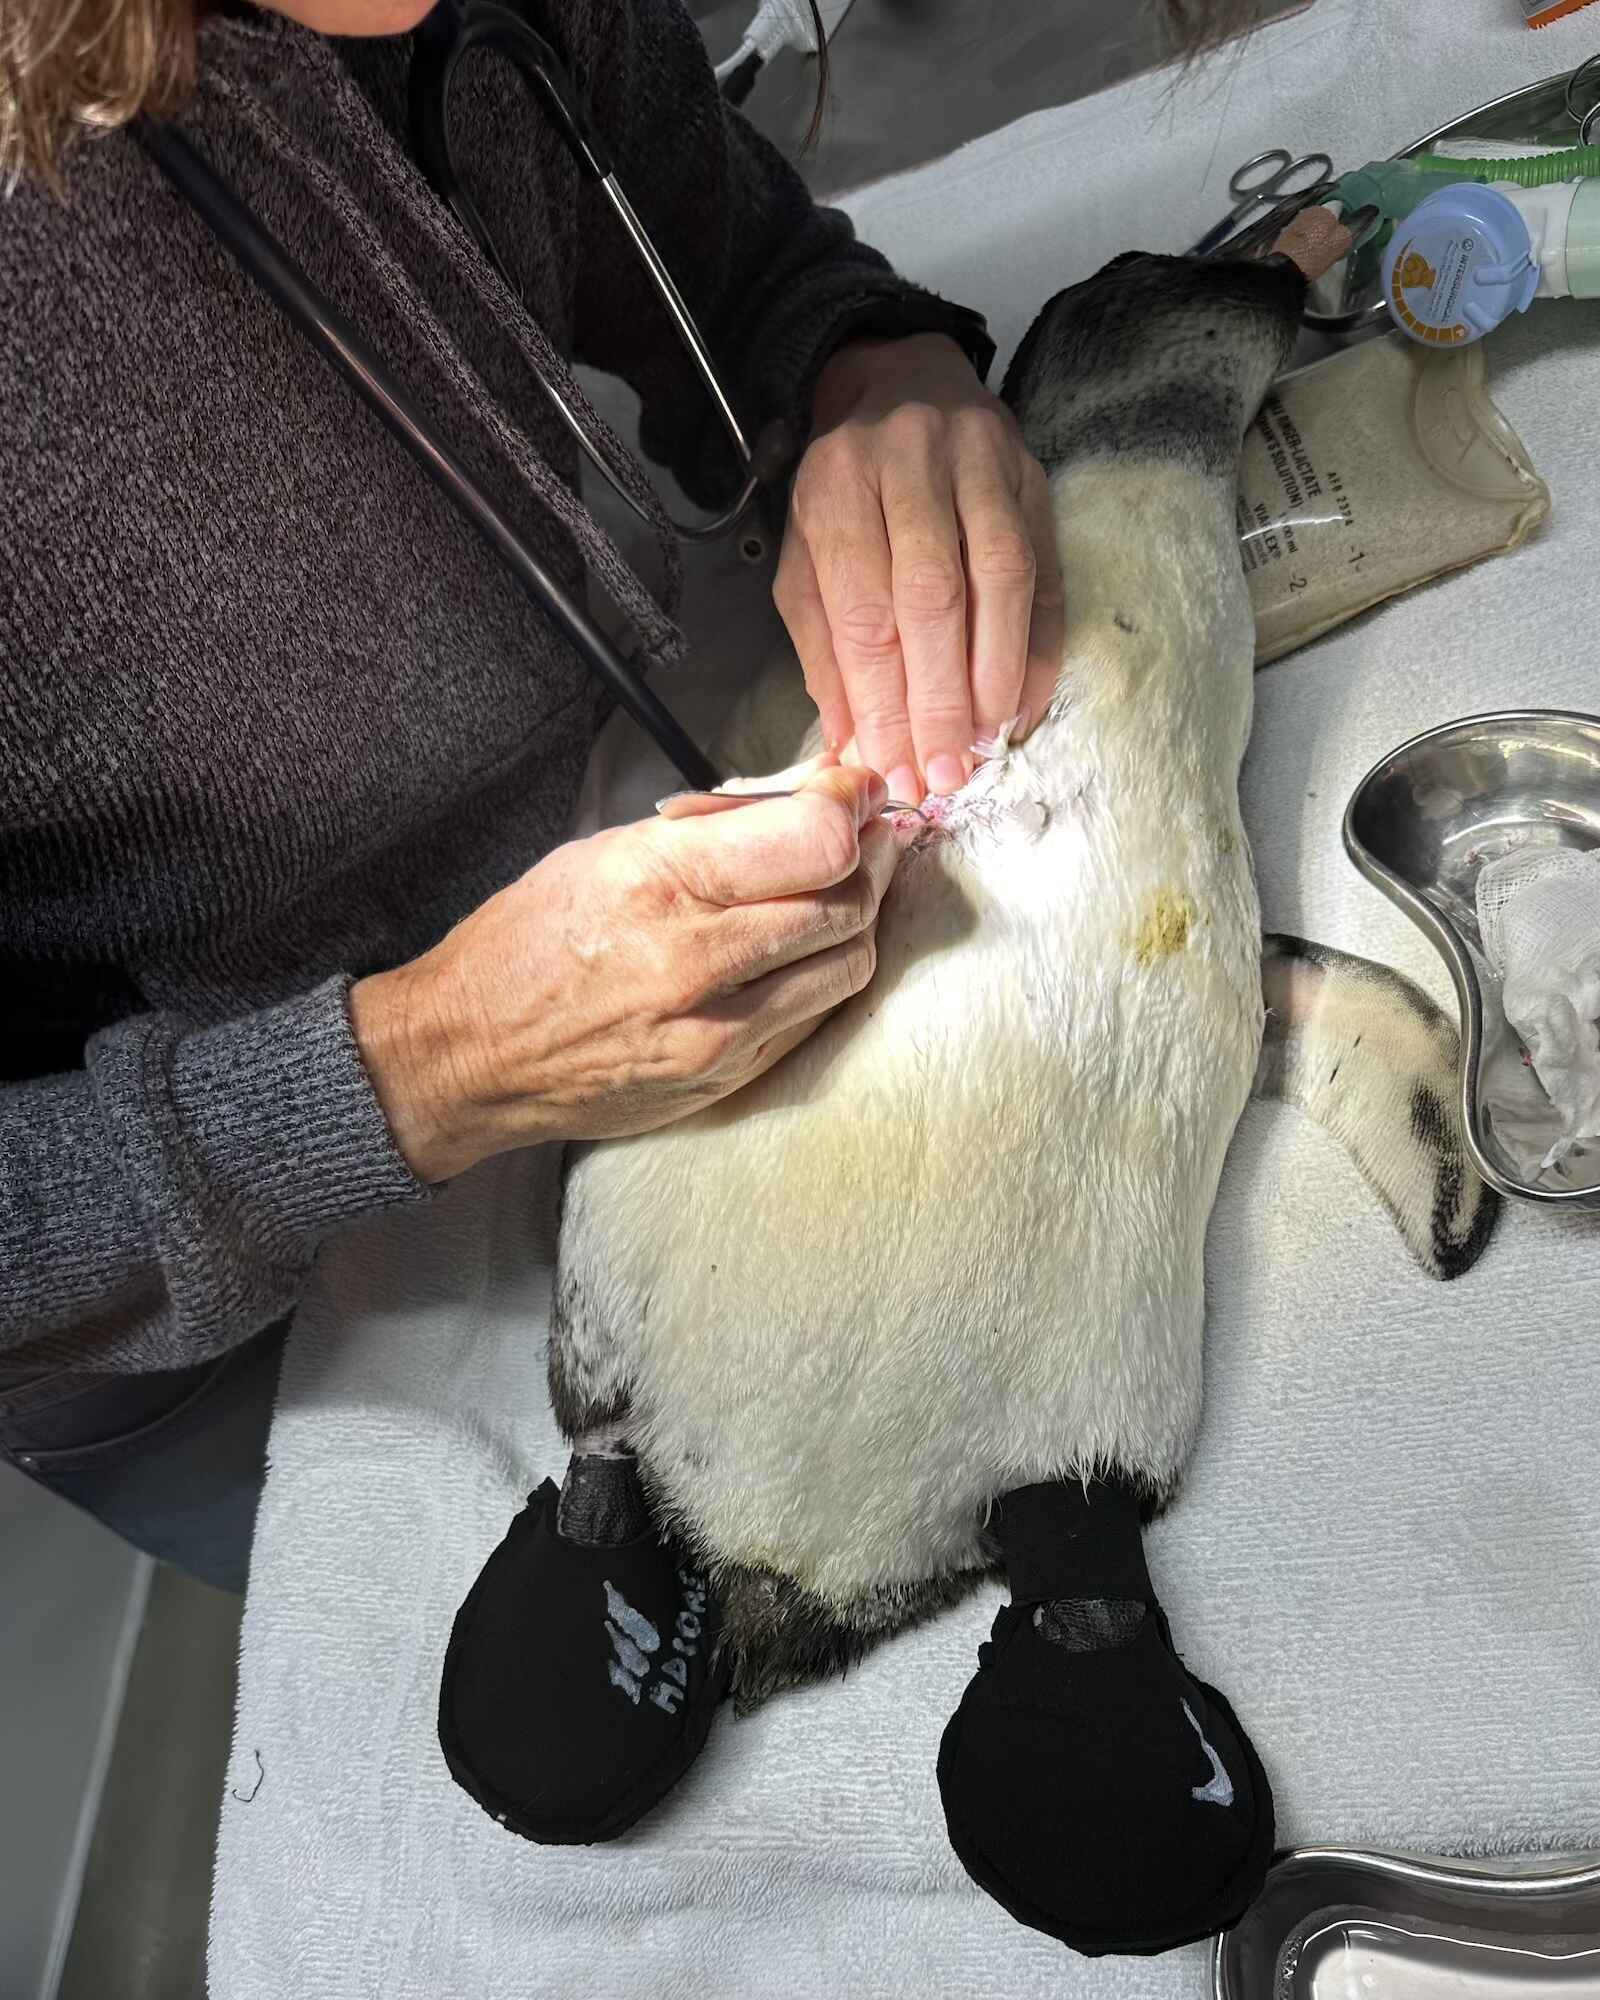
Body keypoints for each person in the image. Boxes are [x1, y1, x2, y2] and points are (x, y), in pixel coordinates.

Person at [0, 0, 1072, 1600]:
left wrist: (870, 375)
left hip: (599, 832)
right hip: (191, 1287)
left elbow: (731, 250)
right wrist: (430, 1064)